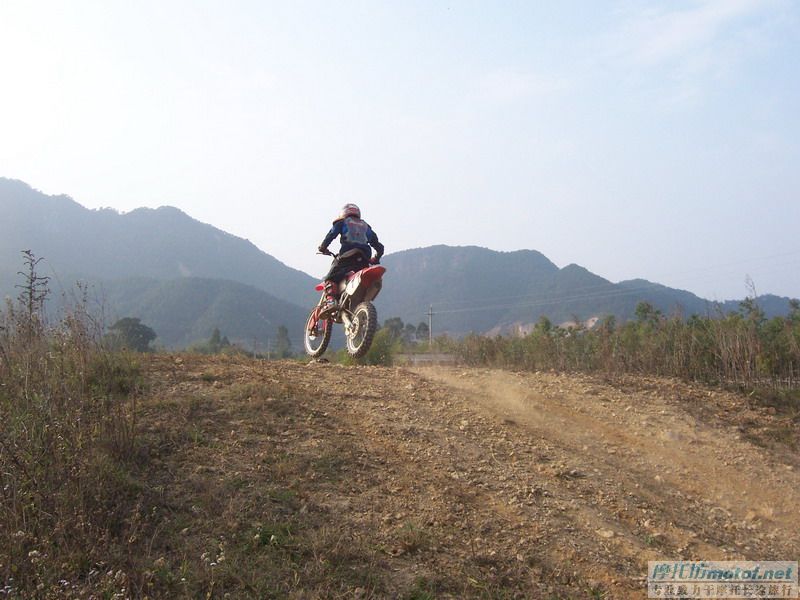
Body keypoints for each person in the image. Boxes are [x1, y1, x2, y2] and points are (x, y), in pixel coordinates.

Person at [317, 203, 384, 317]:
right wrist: (376, 258)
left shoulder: (342, 222)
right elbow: (379, 247)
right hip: (363, 260)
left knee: (330, 278)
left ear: (344, 213)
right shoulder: (366, 227)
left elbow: (331, 234)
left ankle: (331, 301)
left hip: (347, 256)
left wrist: (323, 247)